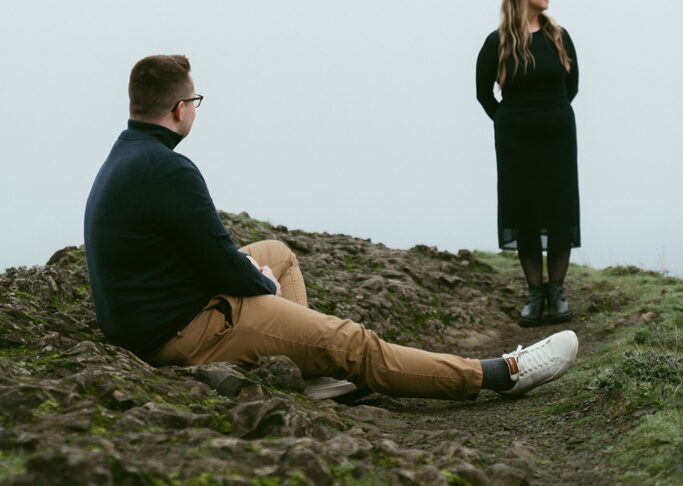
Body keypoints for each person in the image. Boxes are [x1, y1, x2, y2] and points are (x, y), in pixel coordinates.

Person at [85, 53, 579, 403]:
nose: (194, 108)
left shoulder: (127, 156)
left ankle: (303, 374)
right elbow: (220, 263)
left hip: (159, 318)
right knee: (352, 343)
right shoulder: (170, 171)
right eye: (195, 99)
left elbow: (199, 250)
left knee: (275, 251)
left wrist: (252, 270)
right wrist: (260, 284)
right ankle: (496, 375)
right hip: (183, 335)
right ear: (179, 109)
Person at [476, 0, 580, 327]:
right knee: (526, 214)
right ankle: (535, 294)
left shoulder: (558, 37)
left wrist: (547, 114)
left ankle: (558, 292)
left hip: (558, 138)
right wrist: (509, 121)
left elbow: (572, 87)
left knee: (559, 209)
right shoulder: (498, 41)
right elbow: (482, 93)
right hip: (516, 143)